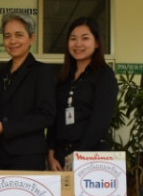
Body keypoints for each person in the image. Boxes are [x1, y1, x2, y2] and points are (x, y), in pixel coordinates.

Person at [0, 12, 55, 171]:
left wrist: (5, 127)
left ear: (31, 39)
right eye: (7, 36)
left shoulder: (42, 72)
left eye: (19, 35)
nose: (12, 41)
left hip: (28, 156)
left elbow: (46, 116)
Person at [47, 17, 118, 171]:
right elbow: (54, 118)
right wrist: (51, 155)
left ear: (97, 43)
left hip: (91, 157)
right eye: (73, 39)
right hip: (60, 157)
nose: (78, 44)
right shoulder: (64, 78)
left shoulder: (104, 75)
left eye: (85, 38)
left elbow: (100, 122)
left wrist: (79, 157)